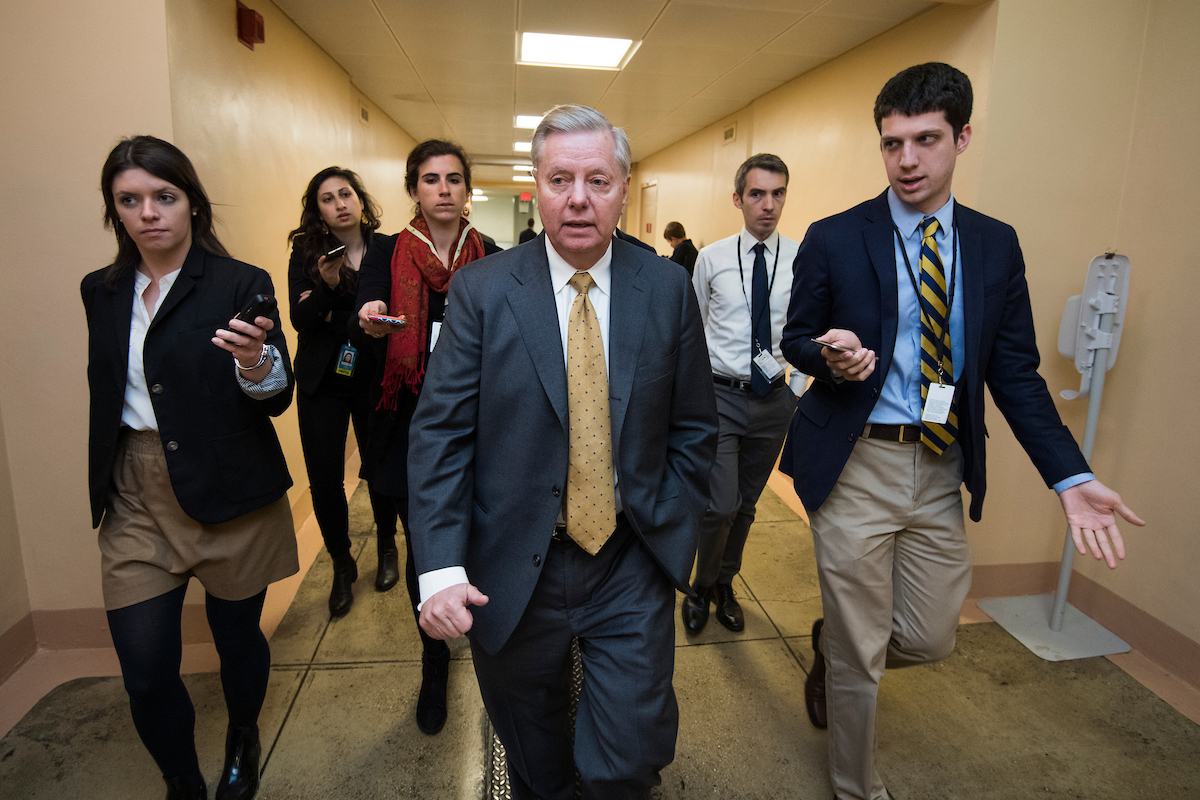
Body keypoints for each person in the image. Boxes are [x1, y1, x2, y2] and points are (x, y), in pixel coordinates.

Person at [779, 63, 1145, 800]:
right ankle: (856, 785)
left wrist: (1070, 477)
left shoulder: (993, 245)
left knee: (928, 637)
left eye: (926, 140)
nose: (907, 160)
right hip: (855, 463)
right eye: (891, 144)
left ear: (962, 137)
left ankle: (834, 651)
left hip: (940, 466)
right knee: (863, 654)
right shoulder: (835, 235)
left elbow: (1015, 374)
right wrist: (831, 356)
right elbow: (793, 339)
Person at [409, 105, 718, 799]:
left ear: (624, 189)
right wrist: (439, 567)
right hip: (513, 565)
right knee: (537, 763)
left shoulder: (666, 290)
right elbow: (440, 436)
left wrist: (672, 520)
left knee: (627, 762)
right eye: (560, 180)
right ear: (538, 188)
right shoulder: (484, 292)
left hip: (628, 560)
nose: (578, 198)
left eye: (598, 180)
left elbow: (695, 425)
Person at [81, 136, 299, 800]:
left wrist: (255, 366)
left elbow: (279, 392)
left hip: (230, 486)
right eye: (130, 200)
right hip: (137, 491)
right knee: (145, 670)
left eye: (164, 197)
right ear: (115, 211)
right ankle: (181, 782)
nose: (148, 213)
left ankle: (242, 732)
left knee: (237, 641)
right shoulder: (102, 291)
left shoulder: (240, 282)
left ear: (192, 205)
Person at [356, 139, 501, 736]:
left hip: (482, 420)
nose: (443, 189)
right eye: (431, 179)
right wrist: (368, 319)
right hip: (412, 421)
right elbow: (361, 317)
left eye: (454, 179)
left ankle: (493, 641)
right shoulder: (387, 251)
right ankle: (434, 663)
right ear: (414, 188)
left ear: (468, 190)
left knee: (486, 534)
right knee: (427, 545)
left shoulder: (489, 253)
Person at [682, 155, 800, 635]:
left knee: (748, 504)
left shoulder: (801, 258)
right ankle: (700, 584)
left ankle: (725, 583)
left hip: (774, 399)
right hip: (720, 396)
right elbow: (693, 328)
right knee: (720, 505)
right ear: (738, 199)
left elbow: (806, 329)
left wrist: (797, 384)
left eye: (777, 194)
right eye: (757, 194)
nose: (768, 205)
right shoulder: (711, 258)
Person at [287, 167, 399, 618]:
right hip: (322, 381)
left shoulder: (387, 246)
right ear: (318, 211)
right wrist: (329, 285)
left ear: (360, 199)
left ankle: (388, 547)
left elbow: (391, 310)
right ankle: (340, 562)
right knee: (325, 478)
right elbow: (301, 319)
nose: (339, 204)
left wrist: (343, 315)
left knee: (380, 466)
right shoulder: (307, 252)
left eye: (345, 194)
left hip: (373, 375)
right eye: (327, 199)